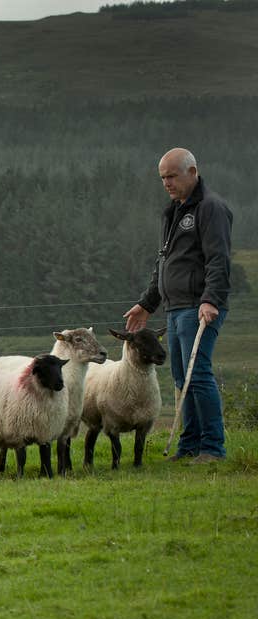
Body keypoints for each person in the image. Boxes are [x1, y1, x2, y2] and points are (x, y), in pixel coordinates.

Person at [123, 147, 232, 463]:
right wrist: (147, 304)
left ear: (192, 172)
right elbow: (165, 261)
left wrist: (210, 299)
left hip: (198, 306)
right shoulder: (173, 211)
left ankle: (213, 448)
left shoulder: (211, 208)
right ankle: (190, 446)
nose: (166, 183)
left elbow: (218, 259)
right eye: (162, 178)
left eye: (172, 176)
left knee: (197, 375)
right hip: (174, 307)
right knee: (181, 376)